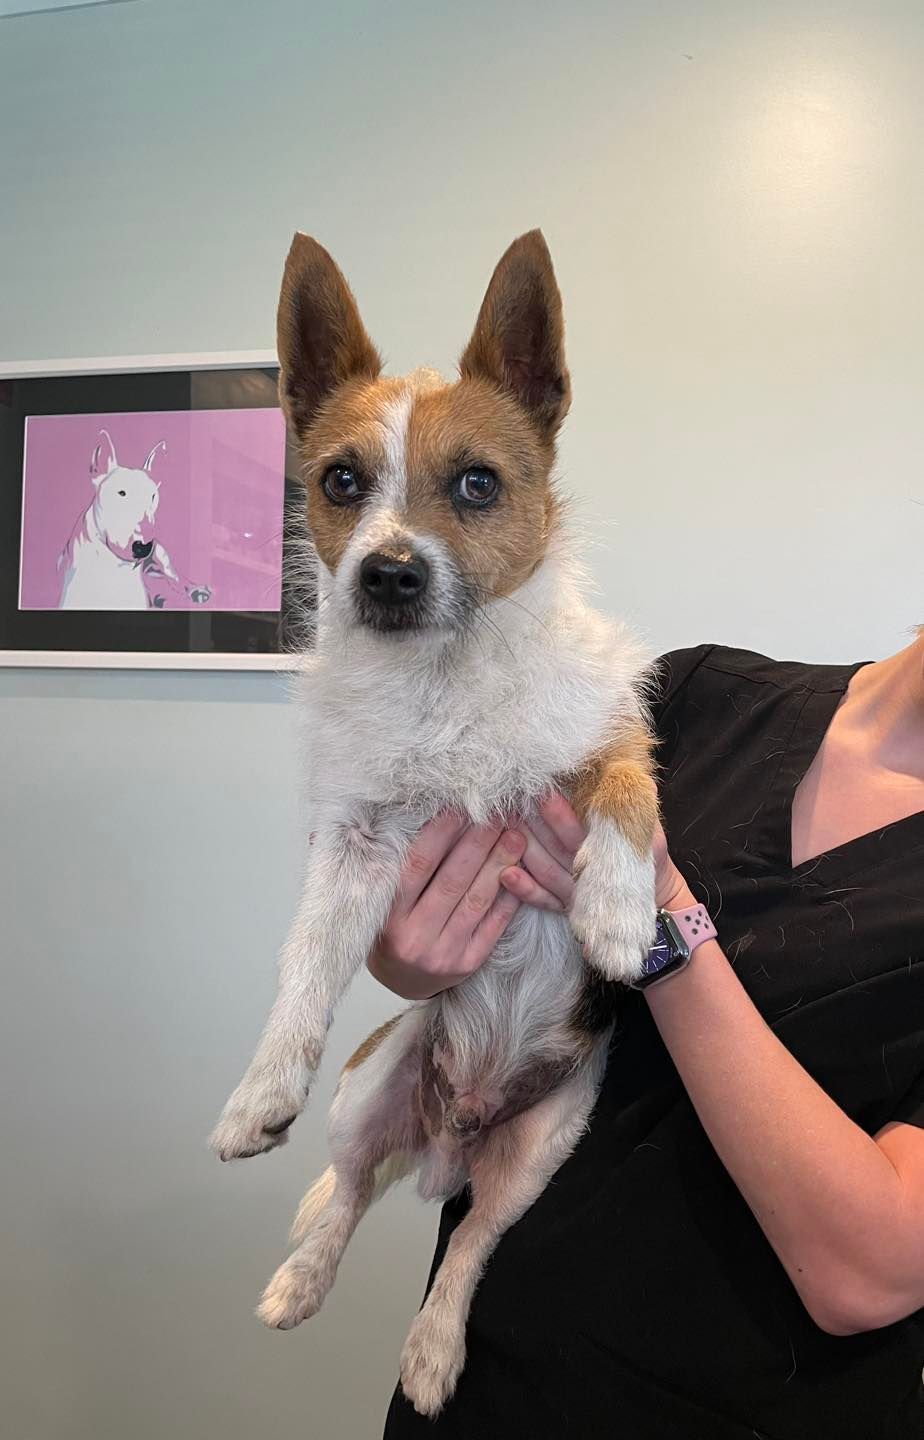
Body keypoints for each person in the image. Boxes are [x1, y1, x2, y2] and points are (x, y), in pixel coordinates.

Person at [376, 635, 924, 1440]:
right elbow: (472, 944)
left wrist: (661, 928)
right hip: (484, 1374)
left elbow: (869, 1275)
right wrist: (409, 955)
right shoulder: (692, 697)